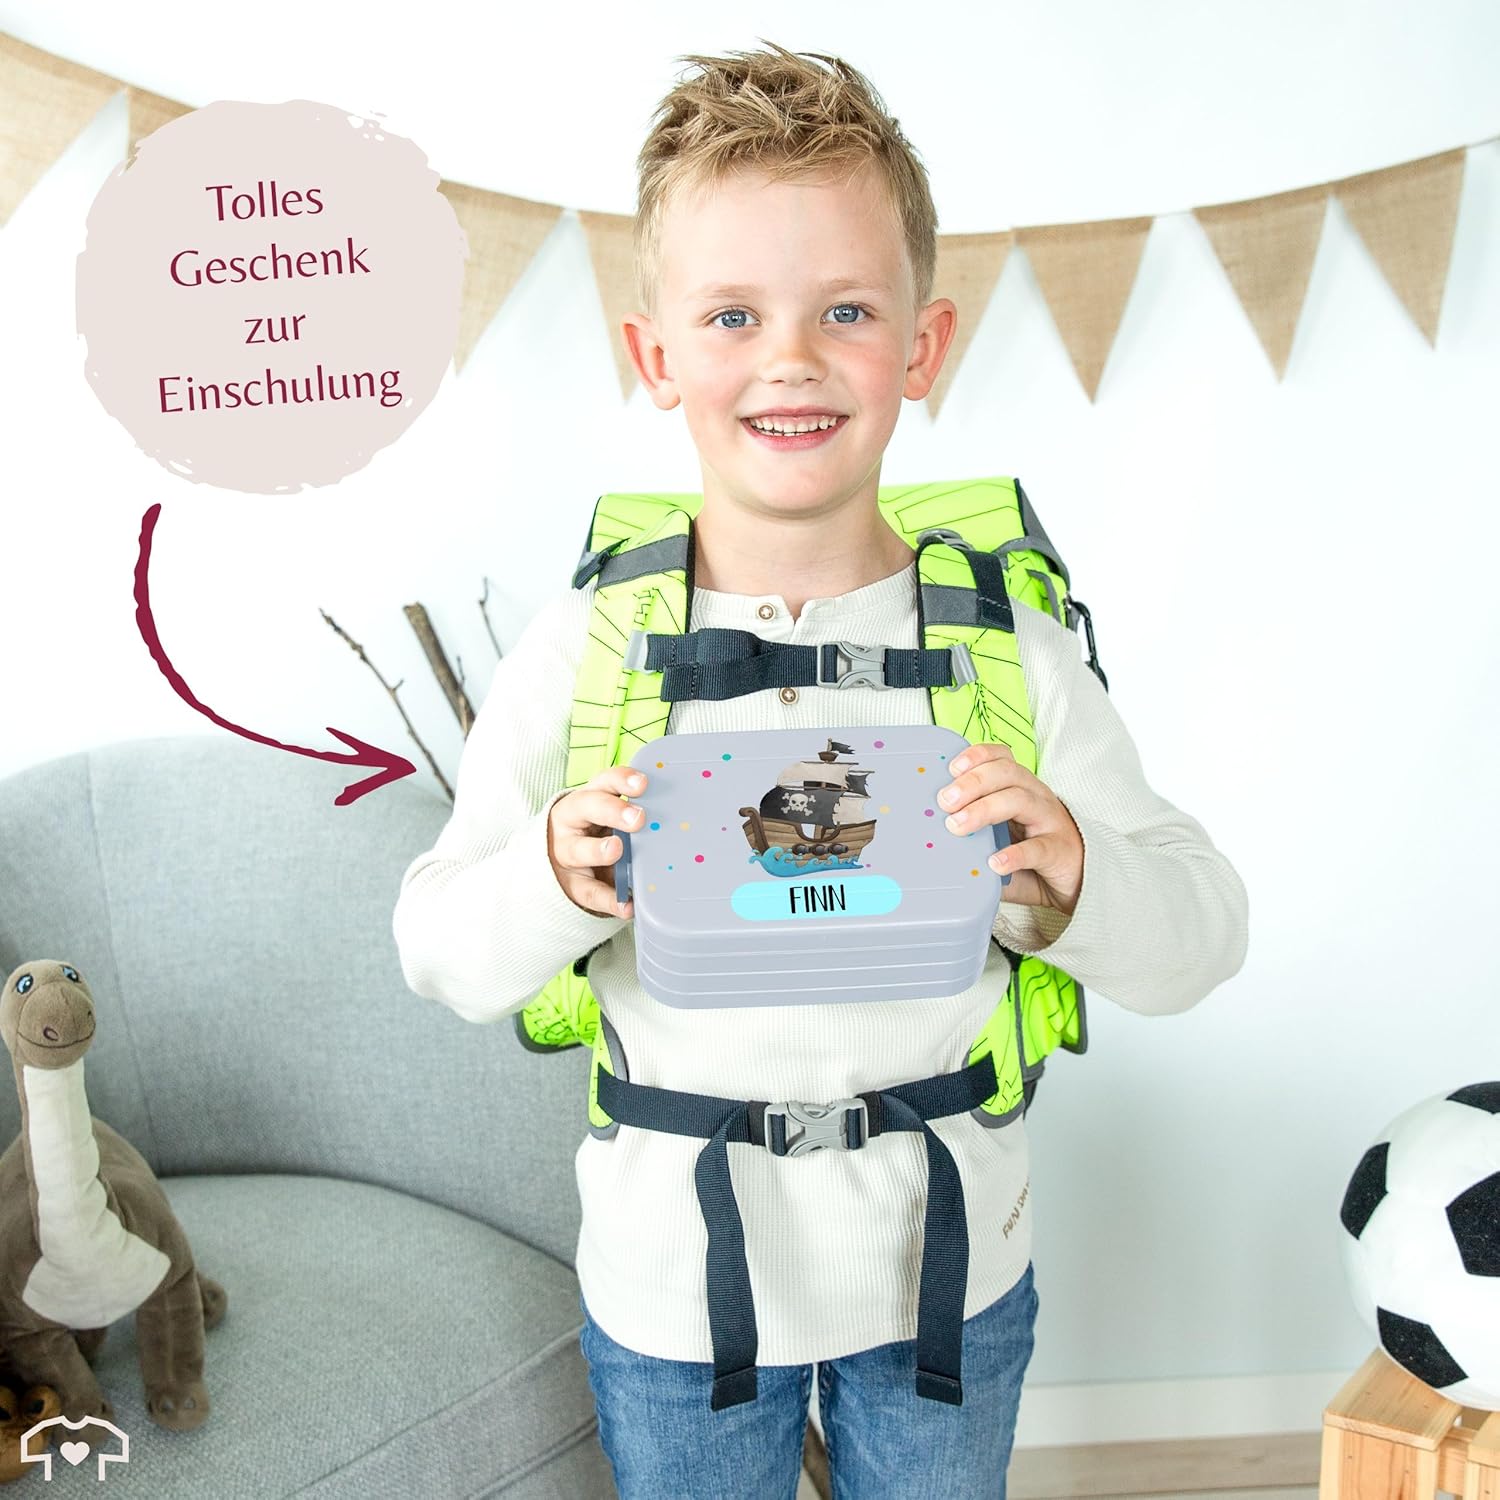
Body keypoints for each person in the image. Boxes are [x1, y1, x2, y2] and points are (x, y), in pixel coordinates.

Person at [393, 39, 1249, 1500]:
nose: (789, 358)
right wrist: (553, 872)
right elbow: (438, 947)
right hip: (676, 1284)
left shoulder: (1008, 653)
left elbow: (1204, 935)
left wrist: (1071, 874)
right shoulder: (591, 650)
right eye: (732, 313)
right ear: (656, 355)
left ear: (921, 344)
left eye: (845, 309)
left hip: (948, 1274)